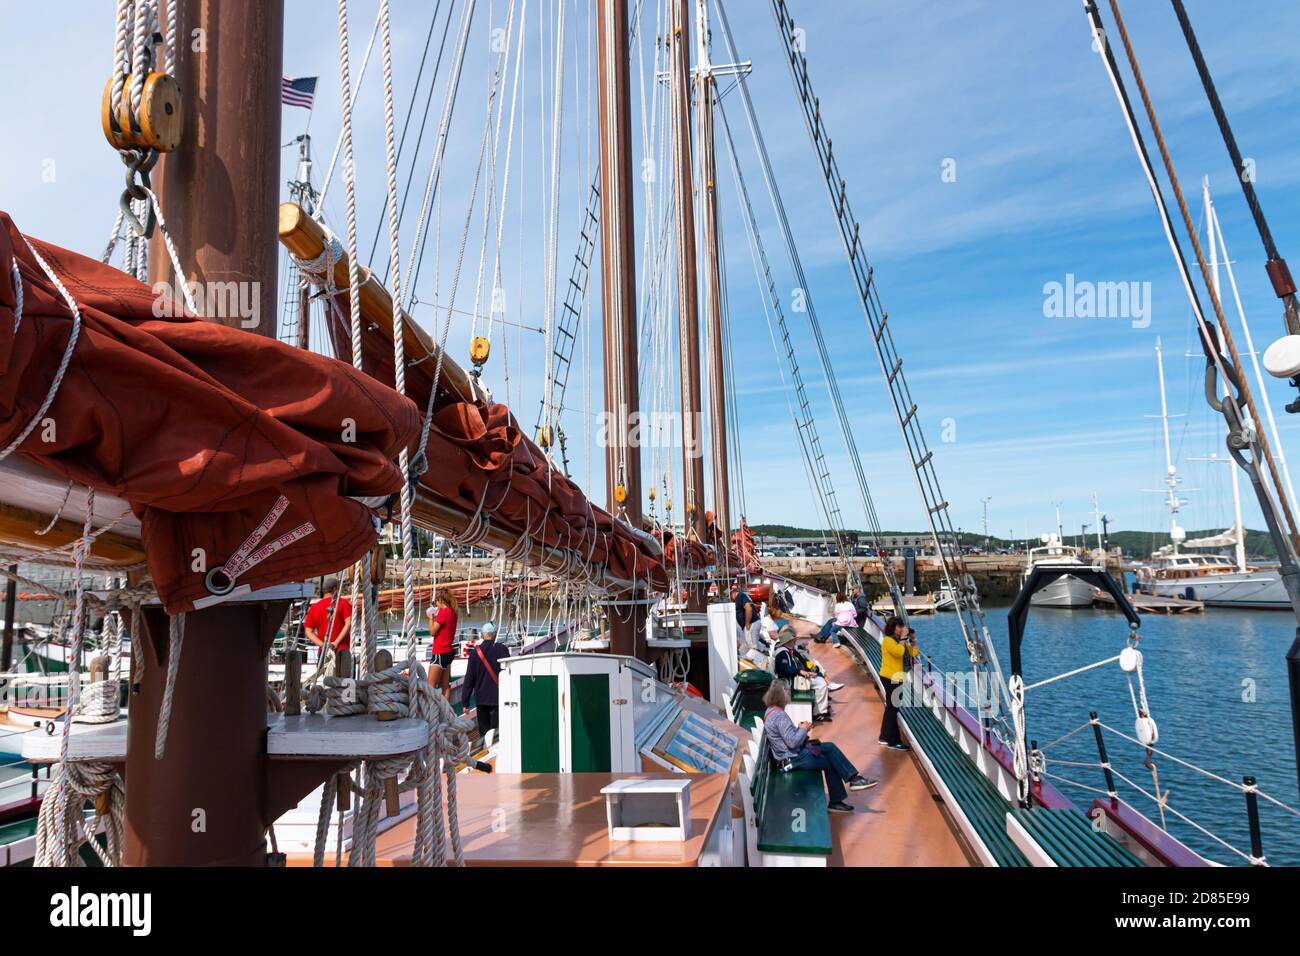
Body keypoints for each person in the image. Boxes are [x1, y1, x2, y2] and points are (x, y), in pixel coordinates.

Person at [762, 679, 876, 813]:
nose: (789, 694)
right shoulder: (779, 716)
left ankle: (852, 781)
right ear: (782, 695)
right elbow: (792, 742)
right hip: (792, 759)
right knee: (829, 761)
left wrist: (799, 728)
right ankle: (841, 795)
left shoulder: (771, 711)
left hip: (790, 755)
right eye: (787, 691)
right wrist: (804, 729)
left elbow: (787, 738)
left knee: (830, 747)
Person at [460, 621, 509, 739]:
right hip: (497, 698)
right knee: (496, 733)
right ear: (494, 634)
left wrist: (465, 702)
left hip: (481, 699)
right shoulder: (502, 650)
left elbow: (469, 680)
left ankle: (485, 751)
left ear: (482, 635)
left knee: (484, 733)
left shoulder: (474, 653)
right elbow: (508, 673)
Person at [772, 631, 833, 722]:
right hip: (790, 682)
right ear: (788, 642)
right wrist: (800, 672)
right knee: (821, 684)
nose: (795, 642)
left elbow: (803, 661)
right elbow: (784, 669)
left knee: (820, 679)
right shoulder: (782, 654)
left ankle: (820, 710)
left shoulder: (792, 651)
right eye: (793, 641)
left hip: (797, 677)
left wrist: (813, 670)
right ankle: (819, 713)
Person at [878, 616, 919, 750]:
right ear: (894, 627)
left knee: (891, 707)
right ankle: (893, 741)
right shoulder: (888, 641)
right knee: (893, 709)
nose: (902, 629)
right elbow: (899, 653)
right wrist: (903, 638)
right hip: (890, 677)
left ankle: (884, 737)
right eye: (900, 626)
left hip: (897, 677)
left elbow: (914, 652)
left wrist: (913, 639)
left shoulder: (900, 642)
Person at [303, 578, 353, 656]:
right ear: (335, 589)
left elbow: (308, 632)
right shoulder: (343, 603)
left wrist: (323, 645)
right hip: (341, 652)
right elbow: (349, 623)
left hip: (323, 653)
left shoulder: (314, 608)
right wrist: (336, 643)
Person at [426, 588, 460, 699]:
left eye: (436, 601)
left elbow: (432, 631)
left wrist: (430, 619)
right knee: (445, 686)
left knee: (430, 686)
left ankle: (430, 713)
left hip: (440, 652)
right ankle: (446, 713)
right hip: (448, 652)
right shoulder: (453, 612)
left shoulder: (443, 612)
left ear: (441, 600)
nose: (435, 603)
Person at [734, 584, 759, 650]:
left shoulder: (740, 596)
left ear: (733, 593)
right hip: (753, 623)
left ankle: (754, 659)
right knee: (750, 646)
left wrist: (747, 623)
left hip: (751, 624)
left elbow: (749, 608)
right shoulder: (742, 596)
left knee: (752, 647)